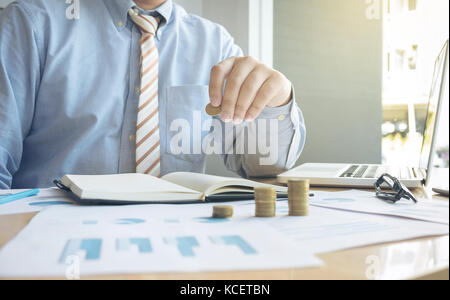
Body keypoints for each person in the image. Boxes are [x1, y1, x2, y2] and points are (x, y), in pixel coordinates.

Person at [0, 0, 306, 189]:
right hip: (53, 245)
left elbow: (260, 166)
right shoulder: (31, 23)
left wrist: (276, 103)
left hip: (179, 247)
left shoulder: (215, 44)